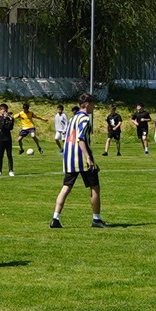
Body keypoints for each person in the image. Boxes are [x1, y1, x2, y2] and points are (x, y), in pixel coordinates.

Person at [51, 92, 104, 229]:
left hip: (69, 158)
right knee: (95, 187)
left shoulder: (73, 118)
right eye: (92, 104)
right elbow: (81, 139)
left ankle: (55, 218)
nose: (94, 107)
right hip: (81, 159)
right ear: (87, 105)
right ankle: (96, 219)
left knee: (66, 187)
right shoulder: (85, 119)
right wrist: (88, 157)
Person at [0, 102, 16, 175]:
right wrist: (4, 118)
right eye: (3, 110)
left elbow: (10, 128)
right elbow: (1, 127)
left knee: (9, 155)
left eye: (6, 110)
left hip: (8, 138)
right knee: (0, 155)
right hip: (1, 139)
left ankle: (11, 170)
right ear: (0, 110)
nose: (5, 112)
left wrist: (12, 120)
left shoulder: (8, 119)